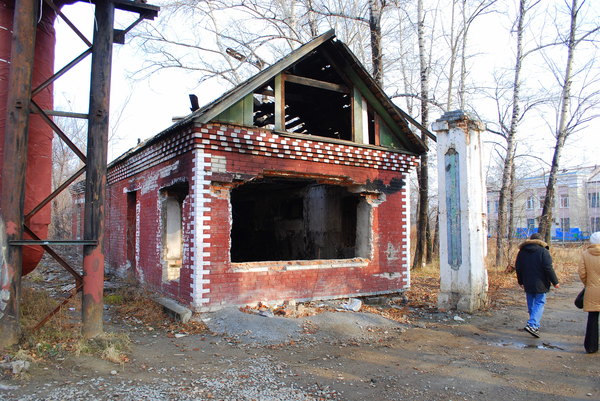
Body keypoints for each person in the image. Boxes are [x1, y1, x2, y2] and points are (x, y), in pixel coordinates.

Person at [515, 232, 560, 338]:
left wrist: (520, 281)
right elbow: (548, 268)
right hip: (541, 282)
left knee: (531, 304)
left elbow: (518, 267)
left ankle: (534, 325)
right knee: (540, 302)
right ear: (541, 241)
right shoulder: (543, 251)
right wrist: (555, 282)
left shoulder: (522, 252)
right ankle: (532, 324)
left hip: (527, 282)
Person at [579, 231, 600, 354]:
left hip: (592, 289)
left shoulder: (585, 254)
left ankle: (591, 347)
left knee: (592, 319)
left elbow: (582, 273)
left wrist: (588, 283)